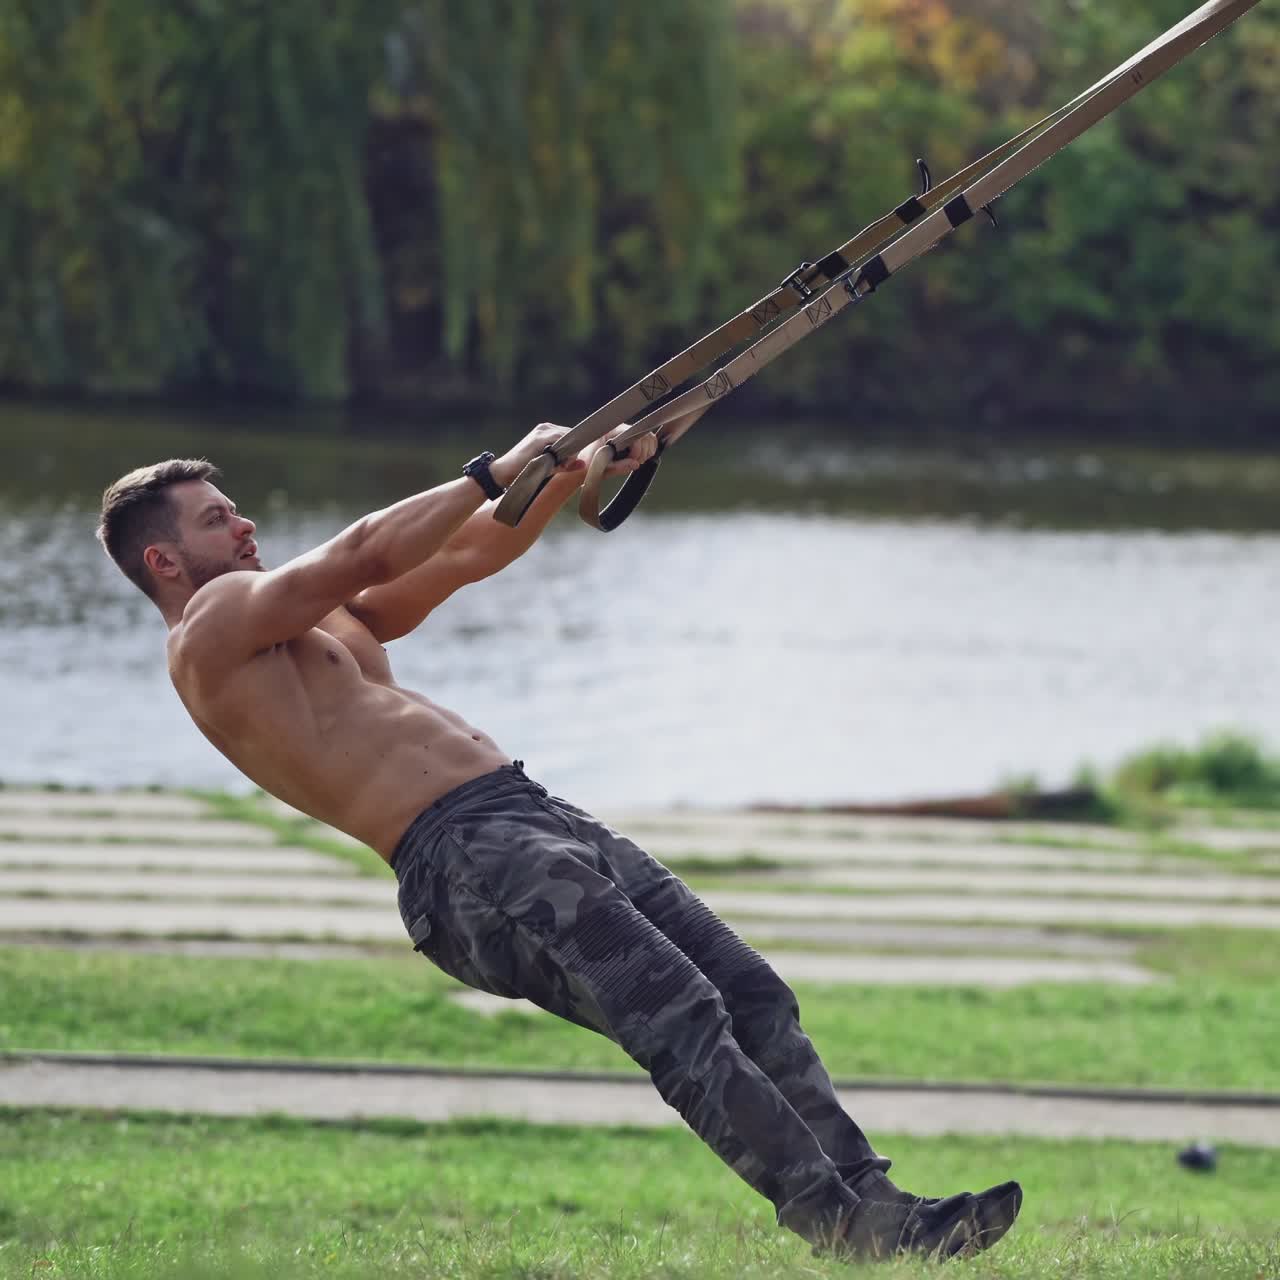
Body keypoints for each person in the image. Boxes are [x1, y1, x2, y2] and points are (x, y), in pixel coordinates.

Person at [95, 423, 1022, 1261]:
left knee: (749, 992)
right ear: (163, 560)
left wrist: (575, 467)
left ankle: (880, 1209)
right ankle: (841, 1225)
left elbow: (468, 551)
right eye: (217, 520)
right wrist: (489, 471)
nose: (245, 524)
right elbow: (366, 546)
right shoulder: (209, 631)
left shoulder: (314, 624)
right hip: (468, 860)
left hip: (530, 816)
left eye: (235, 509)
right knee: (680, 1014)